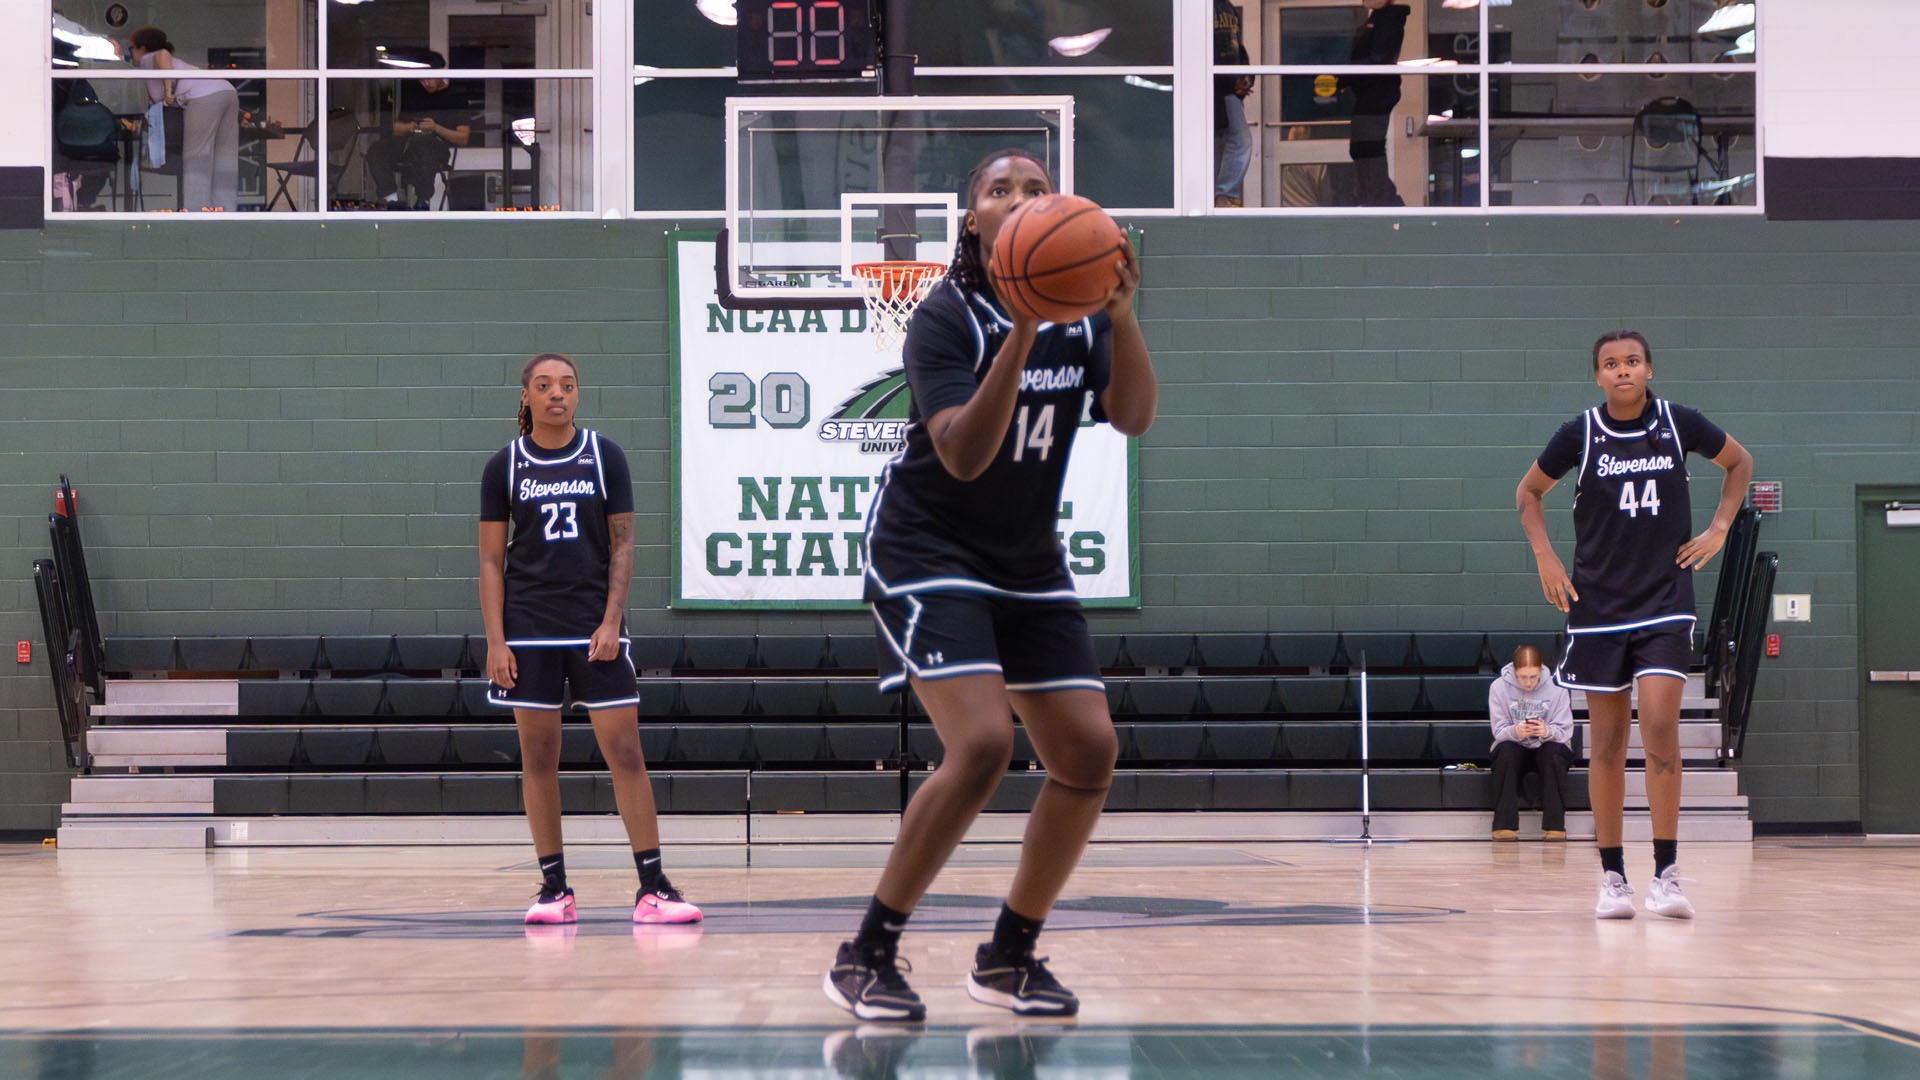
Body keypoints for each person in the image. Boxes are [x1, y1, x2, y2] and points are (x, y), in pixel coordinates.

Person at [824, 149, 1156, 1022]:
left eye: (1036, 188)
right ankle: (868, 951)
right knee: (981, 745)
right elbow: (964, 458)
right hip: (927, 546)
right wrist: (1021, 327)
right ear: (973, 222)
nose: (1019, 199)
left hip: (1025, 556)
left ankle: (1008, 956)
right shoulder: (945, 320)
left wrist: (1122, 314)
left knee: (1088, 752)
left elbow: (1133, 418)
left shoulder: (1085, 317)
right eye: (998, 191)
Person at [1516, 329, 1753, 920]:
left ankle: (1667, 874)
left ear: (1649, 368)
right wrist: (1546, 557)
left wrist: (1720, 529)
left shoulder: (1678, 423)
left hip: (1666, 599)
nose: (1622, 370)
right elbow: (1528, 493)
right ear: (1597, 375)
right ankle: (1612, 877)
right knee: (1609, 743)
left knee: (1662, 725)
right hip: (1598, 606)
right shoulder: (1581, 433)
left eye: (1632, 361)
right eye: (1610, 363)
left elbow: (1739, 463)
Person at [479, 353, 701, 928]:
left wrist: (611, 619)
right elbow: (489, 560)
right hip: (528, 632)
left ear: (579, 394)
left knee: (625, 751)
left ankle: (653, 887)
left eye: (568, 385)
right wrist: (496, 641)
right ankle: (554, 888)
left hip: (594, 628)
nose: (558, 394)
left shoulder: (605, 457)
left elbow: (622, 544)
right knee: (538, 757)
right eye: (545, 386)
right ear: (525, 396)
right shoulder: (503, 467)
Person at [128, 26, 239, 212]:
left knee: (197, 157)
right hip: (227, 91)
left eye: (131, 48)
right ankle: (226, 212)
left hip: (202, 96)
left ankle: (196, 215)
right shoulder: (172, 64)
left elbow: (162, 55)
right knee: (225, 157)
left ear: (142, 48)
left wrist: (168, 91)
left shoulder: (149, 58)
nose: (130, 53)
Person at [1488, 644, 1575, 841]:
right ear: (1514, 672)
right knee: (1506, 753)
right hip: (1515, 745)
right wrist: (1516, 731)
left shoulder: (1557, 687)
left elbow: (1565, 732)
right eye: (1523, 677)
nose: (1528, 683)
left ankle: (1555, 826)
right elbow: (1499, 732)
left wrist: (1546, 731)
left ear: (1541, 671)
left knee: (1553, 754)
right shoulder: (1499, 687)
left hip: (1547, 745)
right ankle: (1504, 825)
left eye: (1533, 677)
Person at [366, 52, 472, 210]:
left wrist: (436, 128)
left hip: (434, 146)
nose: (425, 83)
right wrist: (411, 127)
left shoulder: (456, 96)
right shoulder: (413, 92)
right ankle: (392, 200)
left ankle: (422, 201)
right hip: (406, 144)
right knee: (376, 149)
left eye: (429, 78)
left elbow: (463, 138)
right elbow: (396, 128)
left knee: (424, 145)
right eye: (421, 79)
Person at [1338, 0, 1408, 207]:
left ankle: (1380, 203)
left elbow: (1379, 58)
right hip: (1369, 93)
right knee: (1362, 149)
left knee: (1369, 149)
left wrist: (1342, 75)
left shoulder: (1389, 18)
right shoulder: (1375, 19)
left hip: (1376, 94)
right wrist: (1342, 78)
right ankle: (1373, 200)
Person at [1213, 0, 1254, 208]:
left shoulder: (1228, 6)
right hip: (1212, 90)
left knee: (1224, 143)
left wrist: (1245, 76)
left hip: (1227, 89)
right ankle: (1224, 195)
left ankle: (1220, 196)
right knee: (1241, 141)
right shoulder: (1198, 7)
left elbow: (1236, 48)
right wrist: (1232, 81)